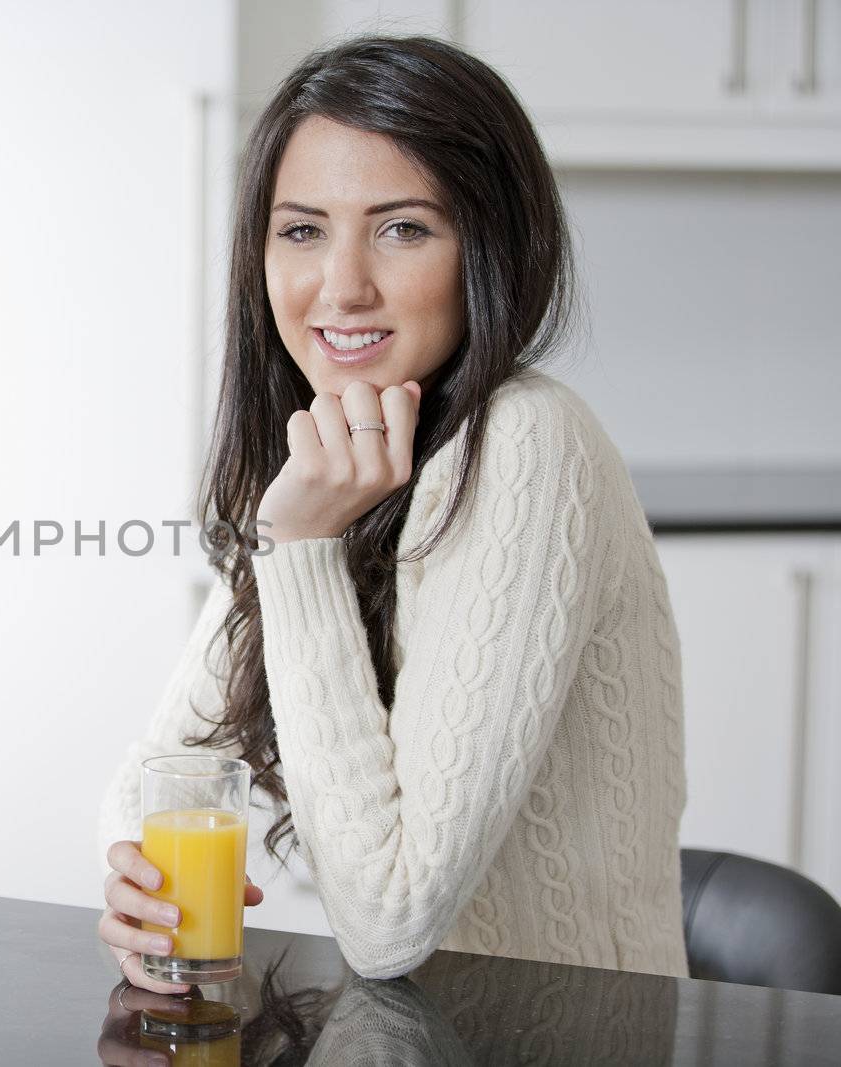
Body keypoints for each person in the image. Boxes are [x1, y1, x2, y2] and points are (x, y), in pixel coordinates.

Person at [96, 33, 690, 992]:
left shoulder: (526, 442)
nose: (340, 286)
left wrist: (299, 550)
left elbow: (387, 924)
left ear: (490, 248)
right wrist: (136, 891)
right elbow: (156, 780)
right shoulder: (342, 454)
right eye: (301, 230)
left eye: (402, 228)